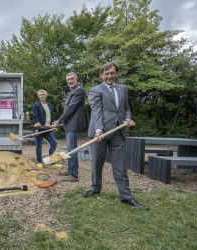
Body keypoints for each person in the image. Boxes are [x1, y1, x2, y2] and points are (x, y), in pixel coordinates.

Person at [84, 62, 148, 210]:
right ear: (101, 75)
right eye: (106, 74)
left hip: (118, 131)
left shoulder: (123, 89)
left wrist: (128, 118)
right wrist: (99, 129)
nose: (109, 76)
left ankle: (126, 196)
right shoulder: (95, 90)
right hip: (100, 132)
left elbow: (126, 108)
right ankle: (95, 187)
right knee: (97, 162)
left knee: (120, 165)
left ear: (116, 73)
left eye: (112, 73)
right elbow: (96, 111)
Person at [52, 72, 85, 182]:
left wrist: (59, 120)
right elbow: (69, 110)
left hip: (73, 124)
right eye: (68, 80)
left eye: (72, 79)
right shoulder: (71, 92)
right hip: (69, 123)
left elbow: (71, 108)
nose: (70, 81)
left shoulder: (79, 90)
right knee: (69, 149)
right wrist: (62, 122)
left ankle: (74, 175)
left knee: (72, 149)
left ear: (76, 79)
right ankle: (70, 171)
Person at [32, 89, 57, 165]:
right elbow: (35, 117)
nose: (42, 96)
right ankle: (39, 161)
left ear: (46, 95)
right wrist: (37, 129)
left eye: (43, 94)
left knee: (54, 143)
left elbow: (52, 116)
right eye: (40, 95)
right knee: (39, 146)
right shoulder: (36, 105)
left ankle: (51, 160)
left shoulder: (50, 105)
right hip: (40, 128)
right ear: (38, 96)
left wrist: (53, 126)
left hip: (48, 128)